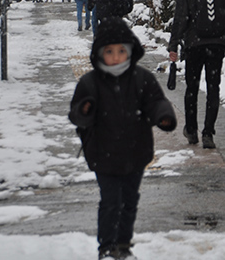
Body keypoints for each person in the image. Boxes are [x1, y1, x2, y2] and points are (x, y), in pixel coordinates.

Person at [69, 17, 177, 260]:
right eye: (109, 51)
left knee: (129, 201)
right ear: (99, 53)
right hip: (103, 154)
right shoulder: (90, 82)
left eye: (121, 51)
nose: (116, 57)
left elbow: (155, 101)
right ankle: (107, 247)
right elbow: (76, 115)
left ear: (130, 50)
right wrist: (84, 110)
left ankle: (123, 245)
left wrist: (163, 116)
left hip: (135, 153)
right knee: (111, 201)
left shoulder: (142, 78)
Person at [167, 0, 225, 149]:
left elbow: (180, 18)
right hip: (215, 45)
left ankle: (191, 130)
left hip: (194, 45)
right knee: (213, 88)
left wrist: (174, 44)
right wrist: (223, 35)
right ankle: (208, 132)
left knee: (192, 87)